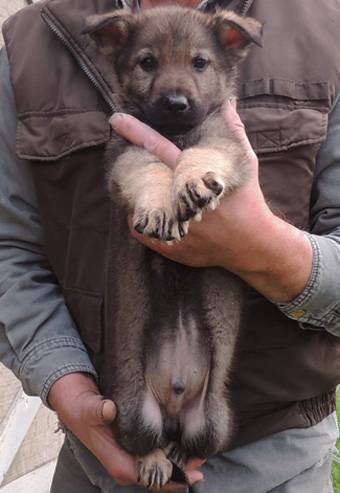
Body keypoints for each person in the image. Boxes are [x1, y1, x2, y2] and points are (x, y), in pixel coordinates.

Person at [1, 0, 340, 491]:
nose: (176, 91)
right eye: (148, 64)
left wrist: (263, 248)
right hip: (98, 460)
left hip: (279, 464)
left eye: (198, 64)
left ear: (230, 51)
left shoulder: (326, 31)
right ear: (115, 47)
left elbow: (219, 153)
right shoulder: (28, 43)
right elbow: (10, 249)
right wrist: (64, 384)